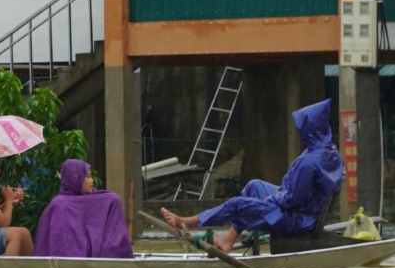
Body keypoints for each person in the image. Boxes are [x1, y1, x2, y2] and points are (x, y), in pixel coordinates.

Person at [160, 99, 344, 254]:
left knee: (237, 204)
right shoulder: (329, 151)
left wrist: (271, 200)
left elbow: (292, 199)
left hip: (298, 220)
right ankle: (229, 238)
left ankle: (188, 222)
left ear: (310, 129)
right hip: (306, 211)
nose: (299, 133)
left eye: (302, 128)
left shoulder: (309, 163)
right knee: (254, 186)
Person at [33, 159, 132, 258]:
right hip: (68, 265)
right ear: (75, 178)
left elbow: (113, 202)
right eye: (87, 177)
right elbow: (60, 247)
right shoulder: (60, 205)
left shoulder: (101, 199)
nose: (92, 181)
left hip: (102, 263)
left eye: (91, 176)